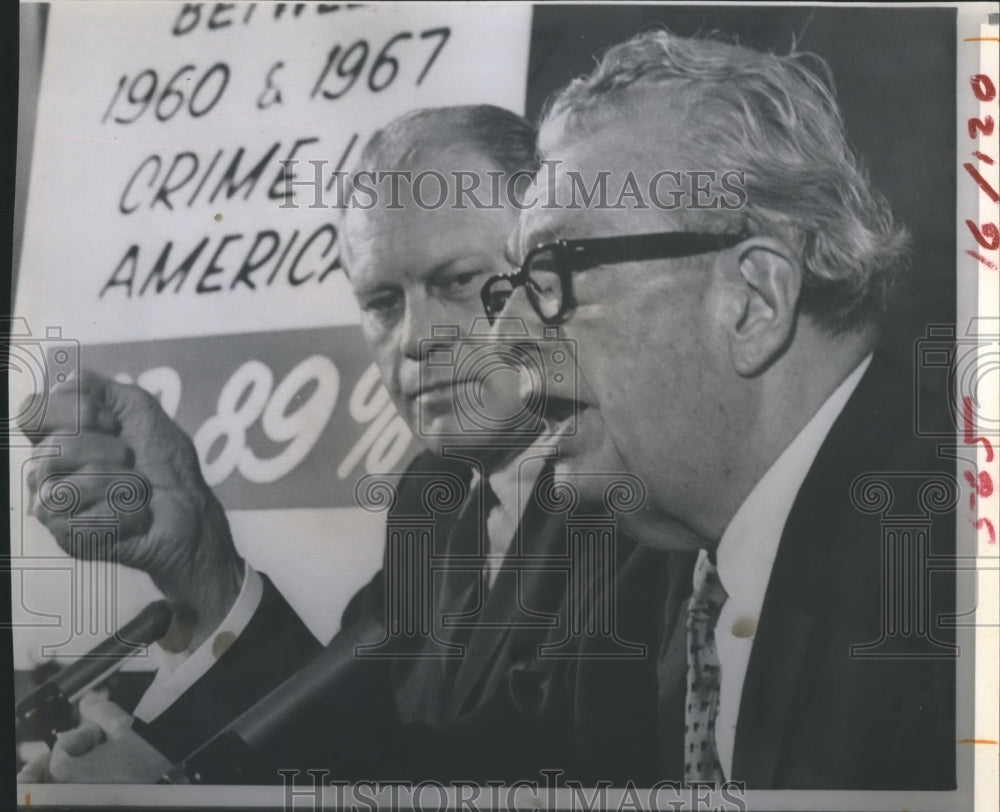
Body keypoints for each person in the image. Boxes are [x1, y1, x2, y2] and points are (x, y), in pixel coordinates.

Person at [19, 105, 676, 785]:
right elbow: (355, 737)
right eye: (382, 302)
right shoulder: (433, 496)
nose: (416, 338)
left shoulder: (648, 497)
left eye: (457, 283)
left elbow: (525, 778)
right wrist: (198, 566)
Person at [485, 30, 956, 790]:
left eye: (555, 270)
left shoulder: (955, 584)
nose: (506, 337)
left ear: (753, 303)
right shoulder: (634, 595)